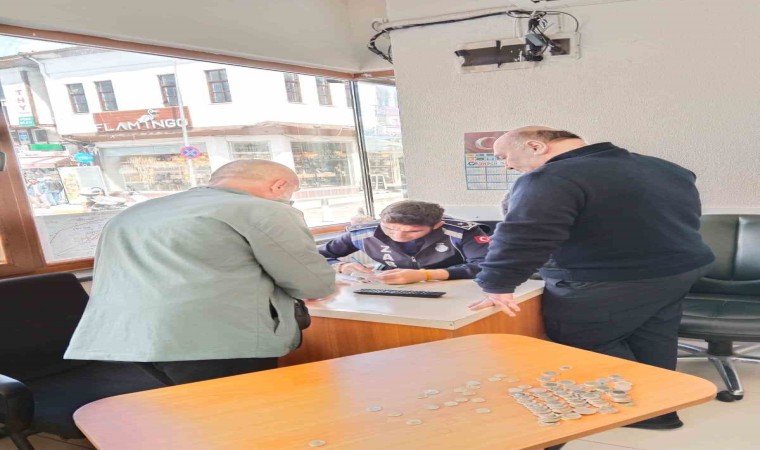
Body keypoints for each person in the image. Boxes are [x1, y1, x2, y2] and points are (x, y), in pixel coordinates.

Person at [468, 126, 714, 430]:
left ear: (535, 146)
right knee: (653, 336)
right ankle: (658, 410)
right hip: (678, 270)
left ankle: (634, 408)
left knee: (586, 341)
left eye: (504, 156)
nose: (506, 165)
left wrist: (497, 283)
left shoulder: (551, 177)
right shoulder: (665, 169)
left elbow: (525, 234)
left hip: (609, 278)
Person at [65, 160, 336, 385]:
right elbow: (312, 284)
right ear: (279, 186)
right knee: (235, 421)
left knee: (172, 422)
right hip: (214, 343)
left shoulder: (134, 213)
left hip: (122, 342)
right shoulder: (265, 210)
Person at [318, 200, 491, 284]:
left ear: (437, 226)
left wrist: (426, 275)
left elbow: (487, 265)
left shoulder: (462, 232)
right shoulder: (362, 233)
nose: (398, 236)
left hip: (453, 285)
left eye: (412, 232)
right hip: (391, 287)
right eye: (389, 229)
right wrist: (341, 266)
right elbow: (314, 256)